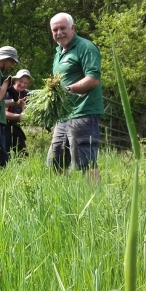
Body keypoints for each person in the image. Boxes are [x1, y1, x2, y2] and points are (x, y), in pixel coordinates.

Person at [47, 13, 104, 183]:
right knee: (56, 161)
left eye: (62, 28)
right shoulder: (59, 53)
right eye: (55, 30)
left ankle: (95, 200)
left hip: (84, 112)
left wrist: (68, 89)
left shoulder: (86, 47)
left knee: (86, 162)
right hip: (64, 116)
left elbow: (93, 79)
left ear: (73, 28)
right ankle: (60, 199)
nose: (59, 32)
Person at [4, 69, 33, 157]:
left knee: (23, 153)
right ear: (15, 80)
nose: (23, 84)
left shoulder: (27, 94)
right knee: (5, 153)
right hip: (4, 126)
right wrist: (20, 116)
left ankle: (24, 169)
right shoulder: (8, 92)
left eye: (25, 83)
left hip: (16, 126)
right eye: (21, 81)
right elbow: (4, 113)